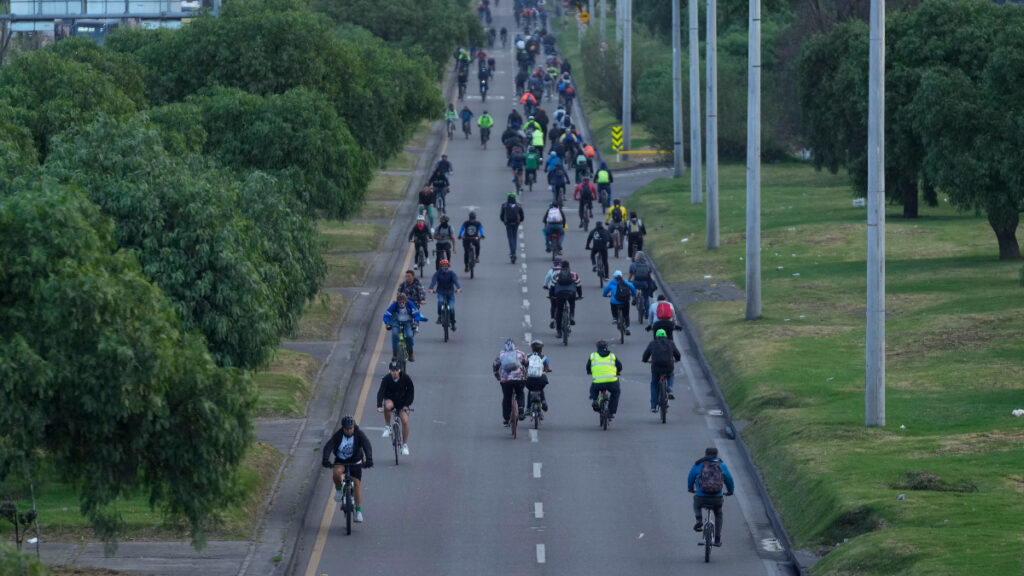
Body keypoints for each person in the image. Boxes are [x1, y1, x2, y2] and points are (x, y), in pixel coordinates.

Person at [322, 415, 373, 523]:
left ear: (354, 427)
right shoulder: (339, 435)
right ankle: (339, 489)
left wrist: (369, 459)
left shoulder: (359, 434)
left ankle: (358, 512)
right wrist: (325, 459)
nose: (349, 430)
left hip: (355, 462)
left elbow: (366, 445)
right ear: (343, 428)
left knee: (357, 483)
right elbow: (329, 446)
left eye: (351, 428)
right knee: (336, 473)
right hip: (341, 461)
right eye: (346, 428)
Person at [688, 447, 735, 547]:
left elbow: (690, 478)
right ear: (717, 455)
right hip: (716, 499)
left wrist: (691, 489)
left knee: (696, 504)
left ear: (705, 454)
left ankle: (699, 520)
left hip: (701, 497)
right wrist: (730, 492)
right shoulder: (721, 465)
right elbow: (729, 480)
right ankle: (717, 540)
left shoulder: (698, 464)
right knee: (718, 514)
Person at [377, 361, 415, 455]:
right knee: (387, 405)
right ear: (389, 370)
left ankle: (405, 445)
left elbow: (411, 392)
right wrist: (379, 406)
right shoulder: (386, 379)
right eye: (393, 370)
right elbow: (381, 392)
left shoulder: (406, 378)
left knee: (405, 420)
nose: (395, 372)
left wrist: (406, 405)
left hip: (402, 403)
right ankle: (388, 427)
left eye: (397, 370)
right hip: (391, 400)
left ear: (400, 370)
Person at [642, 329, 681, 411]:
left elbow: (645, 355)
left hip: (656, 367)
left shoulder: (652, 343)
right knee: (670, 374)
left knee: (654, 384)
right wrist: (676, 359)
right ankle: (670, 388)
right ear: (666, 336)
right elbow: (678, 355)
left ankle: (653, 406)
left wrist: (646, 360)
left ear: (656, 336)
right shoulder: (671, 343)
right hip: (668, 366)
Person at [493, 338, 529, 426]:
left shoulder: (501, 355)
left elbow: (495, 366)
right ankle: (520, 410)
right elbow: (527, 363)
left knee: (507, 397)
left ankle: (506, 419)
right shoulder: (520, 353)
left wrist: (497, 376)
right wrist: (525, 374)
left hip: (506, 381)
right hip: (519, 379)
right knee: (520, 393)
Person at [383, 293, 425, 361]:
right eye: (400, 302)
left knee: (409, 335)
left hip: (408, 322)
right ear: (397, 301)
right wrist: (387, 323)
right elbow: (387, 314)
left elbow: (416, 314)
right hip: (397, 322)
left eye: (403, 302)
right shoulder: (395, 304)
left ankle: (411, 353)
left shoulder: (410, 304)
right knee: (394, 335)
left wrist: (415, 322)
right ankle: (395, 354)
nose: (402, 303)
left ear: (406, 301)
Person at [586, 340, 622, 418]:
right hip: (611, 382)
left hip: (598, 382)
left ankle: (595, 400)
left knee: (593, 388)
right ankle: (611, 411)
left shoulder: (593, 356)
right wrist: (618, 372)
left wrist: (589, 371)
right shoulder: (612, 356)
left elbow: (588, 366)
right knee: (616, 392)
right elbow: (619, 366)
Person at [550, 260, 582, 338]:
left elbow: (552, 286)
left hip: (560, 294)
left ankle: (559, 332)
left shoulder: (556, 274)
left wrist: (552, 296)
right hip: (571, 293)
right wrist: (580, 295)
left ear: (561, 267)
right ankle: (571, 316)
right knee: (572, 304)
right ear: (569, 267)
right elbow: (578, 286)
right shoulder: (574, 274)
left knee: (559, 311)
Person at [427, 259, 462, 330]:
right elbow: (433, 281)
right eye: (443, 266)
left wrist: (459, 288)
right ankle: (439, 317)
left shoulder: (452, 273)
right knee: (440, 301)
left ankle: (453, 323)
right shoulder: (437, 273)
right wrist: (431, 289)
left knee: (451, 308)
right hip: (440, 292)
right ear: (440, 266)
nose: (445, 267)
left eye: (446, 265)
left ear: (448, 266)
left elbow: (456, 281)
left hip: (450, 293)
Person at [602, 270, 636, 335]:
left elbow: (606, 289)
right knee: (626, 315)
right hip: (625, 301)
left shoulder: (612, 283)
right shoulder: (625, 282)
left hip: (615, 302)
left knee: (612, 304)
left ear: (614, 277)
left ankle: (614, 318)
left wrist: (605, 295)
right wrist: (634, 294)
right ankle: (627, 327)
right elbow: (632, 287)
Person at [524, 339, 552, 413]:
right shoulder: (544, 358)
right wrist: (547, 370)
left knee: (530, 390)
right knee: (540, 389)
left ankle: (528, 409)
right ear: (541, 349)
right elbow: (549, 368)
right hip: (541, 379)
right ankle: (543, 401)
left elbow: (524, 366)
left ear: (532, 349)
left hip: (529, 380)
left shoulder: (527, 356)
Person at [500, 192, 525, 262]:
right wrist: (520, 221)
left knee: (510, 237)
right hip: (516, 223)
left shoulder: (504, 205)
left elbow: (501, 216)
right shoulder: (518, 205)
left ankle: (512, 252)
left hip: (508, 223)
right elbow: (522, 215)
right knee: (514, 237)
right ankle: (513, 252)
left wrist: (504, 221)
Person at [628, 251, 654, 320]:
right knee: (646, 298)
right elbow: (651, 275)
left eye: (635, 256)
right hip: (645, 284)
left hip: (636, 283)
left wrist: (629, 281)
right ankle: (647, 313)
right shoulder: (648, 264)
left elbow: (630, 276)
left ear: (638, 257)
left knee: (632, 287)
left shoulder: (633, 265)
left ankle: (634, 298)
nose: (634, 257)